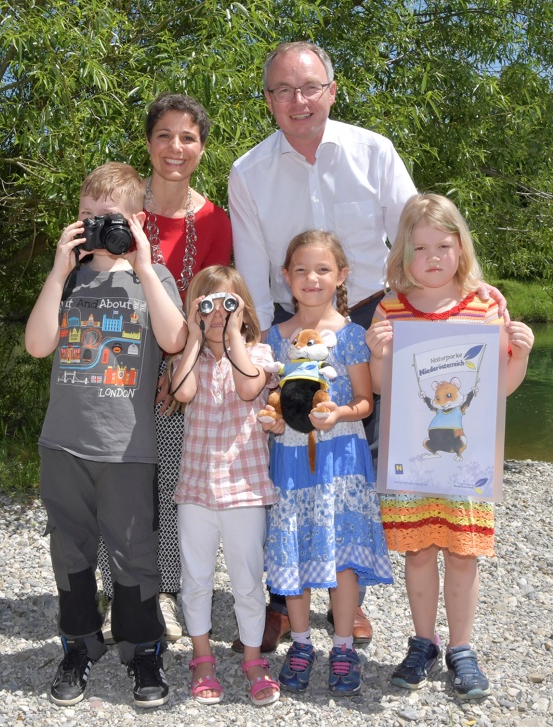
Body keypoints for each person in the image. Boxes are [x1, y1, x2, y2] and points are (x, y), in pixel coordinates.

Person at [228, 39, 417, 651]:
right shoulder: (248, 172)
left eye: (309, 87)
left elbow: (415, 237)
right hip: (287, 326)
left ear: (331, 91)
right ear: (268, 101)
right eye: (283, 90)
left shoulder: (374, 151)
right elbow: (254, 273)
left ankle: (348, 604)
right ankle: (286, 601)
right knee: (283, 467)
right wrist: (259, 353)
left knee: (357, 465)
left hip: (367, 319)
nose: (298, 100)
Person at [25, 162, 187, 708]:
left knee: (132, 551)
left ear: (138, 220)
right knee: (69, 548)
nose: (95, 228)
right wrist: (55, 271)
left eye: (108, 218)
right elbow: (37, 345)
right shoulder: (69, 279)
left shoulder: (152, 279)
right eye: (86, 216)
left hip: (127, 448)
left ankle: (143, 649)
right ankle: (79, 643)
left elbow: (175, 337)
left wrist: (143, 263)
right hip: (64, 442)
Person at [366, 193, 534, 700]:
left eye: (444, 245)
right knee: (417, 553)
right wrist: (377, 353)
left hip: (467, 465)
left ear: (461, 248)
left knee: (463, 555)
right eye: (420, 248)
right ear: (403, 255)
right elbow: (380, 387)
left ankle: (461, 648)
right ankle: (423, 642)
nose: (433, 257)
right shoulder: (390, 308)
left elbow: (500, 391)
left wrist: (520, 353)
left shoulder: (486, 305)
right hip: (411, 463)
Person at [95, 93, 233, 643]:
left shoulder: (215, 220)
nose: (175, 148)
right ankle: (116, 589)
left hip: (185, 369)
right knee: (118, 481)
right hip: (118, 365)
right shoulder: (120, 212)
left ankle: (170, 591)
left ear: (201, 146)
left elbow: (217, 302)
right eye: (164, 135)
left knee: (174, 483)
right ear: (148, 142)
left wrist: (178, 373)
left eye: (188, 137)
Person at [258, 230, 393, 697]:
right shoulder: (274, 338)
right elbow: (271, 403)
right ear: (286, 277)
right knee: (293, 549)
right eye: (300, 270)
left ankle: (342, 647)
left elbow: (364, 402)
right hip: (292, 461)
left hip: (343, 459)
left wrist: (338, 412)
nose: (311, 278)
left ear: (341, 276)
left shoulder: (353, 335)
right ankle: (300, 644)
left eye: (322, 269)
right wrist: (273, 424)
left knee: (341, 554)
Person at [168, 265, 280, 707]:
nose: (219, 314)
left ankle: (253, 659)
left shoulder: (260, 353)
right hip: (196, 491)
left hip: (245, 491)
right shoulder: (188, 359)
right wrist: (195, 336)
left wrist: (234, 336)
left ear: (244, 310)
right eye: (209, 305)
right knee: (196, 580)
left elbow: (250, 387)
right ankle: (202, 657)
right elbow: (181, 392)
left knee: (248, 583)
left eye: (228, 304)